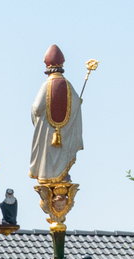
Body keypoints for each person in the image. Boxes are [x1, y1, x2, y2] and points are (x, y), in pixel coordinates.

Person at [29, 45, 84, 183]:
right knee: (61, 154)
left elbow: (36, 108)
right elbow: (76, 104)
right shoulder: (68, 85)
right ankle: (62, 174)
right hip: (64, 134)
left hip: (47, 131)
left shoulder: (47, 85)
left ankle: (48, 176)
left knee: (47, 158)